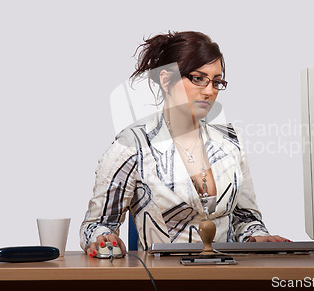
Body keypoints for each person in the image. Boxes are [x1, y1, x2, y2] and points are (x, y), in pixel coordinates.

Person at [80, 31, 289, 258]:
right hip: (162, 279)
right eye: (198, 78)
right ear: (166, 79)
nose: (209, 91)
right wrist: (103, 238)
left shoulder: (230, 141)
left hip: (228, 275)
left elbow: (245, 219)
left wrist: (256, 236)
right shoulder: (132, 145)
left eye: (217, 81)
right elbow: (96, 226)